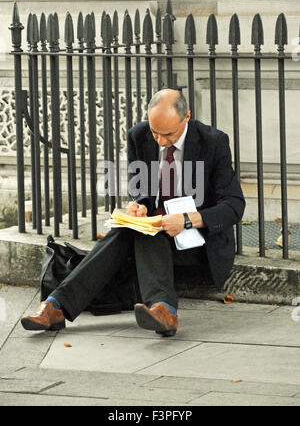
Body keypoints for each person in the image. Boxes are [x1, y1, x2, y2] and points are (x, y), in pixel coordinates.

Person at [21, 89, 245, 337]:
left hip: (196, 241)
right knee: (134, 228)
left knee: (143, 232)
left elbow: (234, 205)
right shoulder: (139, 136)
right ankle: (162, 309)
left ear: (187, 118)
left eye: (169, 134)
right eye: (155, 132)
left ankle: (56, 306)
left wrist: (186, 220)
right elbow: (141, 191)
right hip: (155, 234)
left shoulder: (213, 142)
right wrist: (138, 205)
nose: (160, 141)